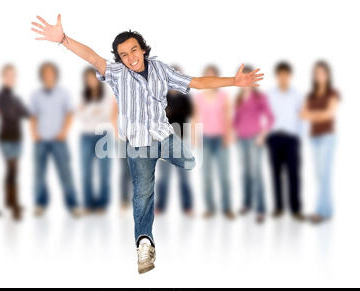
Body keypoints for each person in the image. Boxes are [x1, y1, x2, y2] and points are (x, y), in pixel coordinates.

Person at [31, 14, 263, 274]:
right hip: (138, 146)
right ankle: (144, 244)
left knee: (189, 161)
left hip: (164, 136)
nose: (131, 58)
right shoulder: (117, 73)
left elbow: (195, 83)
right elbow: (93, 57)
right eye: (124, 54)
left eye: (134, 50)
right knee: (143, 195)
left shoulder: (161, 69)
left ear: (142, 48)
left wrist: (233, 81)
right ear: (119, 58)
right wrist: (63, 39)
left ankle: (162, 156)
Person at [30, 62, 80, 217]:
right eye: (45, 73)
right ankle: (40, 204)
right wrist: (34, 133)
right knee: (39, 174)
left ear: (55, 75)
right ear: (42, 76)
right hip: (41, 140)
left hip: (59, 140)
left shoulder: (64, 93)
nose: (48, 76)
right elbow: (33, 115)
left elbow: (70, 113)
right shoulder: (35, 95)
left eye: (51, 73)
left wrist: (64, 132)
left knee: (65, 173)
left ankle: (73, 205)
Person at [192, 65, 235, 220]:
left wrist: (228, 136)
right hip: (205, 139)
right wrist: (194, 139)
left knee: (224, 175)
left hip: (221, 139)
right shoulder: (198, 97)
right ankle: (209, 208)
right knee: (206, 176)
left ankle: (227, 208)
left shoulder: (224, 96)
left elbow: (228, 117)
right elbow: (195, 118)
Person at [301, 61, 339, 224]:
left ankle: (319, 212)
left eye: (322, 72)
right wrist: (318, 113)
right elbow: (302, 115)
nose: (319, 75)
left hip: (328, 137)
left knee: (324, 174)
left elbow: (330, 114)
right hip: (314, 137)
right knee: (320, 176)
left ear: (328, 75)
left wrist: (313, 114)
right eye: (316, 72)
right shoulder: (310, 95)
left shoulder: (333, 93)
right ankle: (328, 210)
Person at [234, 66, 274, 224]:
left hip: (255, 139)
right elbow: (236, 119)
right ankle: (246, 203)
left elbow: (270, 118)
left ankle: (261, 209)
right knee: (245, 173)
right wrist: (234, 132)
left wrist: (263, 135)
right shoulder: (238, 98)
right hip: (241, 139)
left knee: (256, 173)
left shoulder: (259, 97)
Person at [267, 62, 305, 221]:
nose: (283, 77)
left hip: (291, 138)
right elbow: (265, 116)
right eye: (280, 74)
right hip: (274, 137)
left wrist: (299, 136)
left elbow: (302, 117)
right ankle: (278, 207)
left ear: (289, 75)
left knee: (294, 174)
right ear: (277, 76)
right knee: (275, 174)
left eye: (285, 74)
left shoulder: (297, 95)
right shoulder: (269, 94)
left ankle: (296, 209)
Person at [155, 65, 194, 217]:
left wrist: (171, 112)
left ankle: (187, 206)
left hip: (182, 141)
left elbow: (188, 114)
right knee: (164, 177)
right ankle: (160, 206)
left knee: (184, 176)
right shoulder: (161, 97)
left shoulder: (185, 97)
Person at [77, 67, 115, 214]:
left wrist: (89, 111)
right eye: (87, 78)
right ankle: (87, 204)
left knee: (104, 172)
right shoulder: (82, 95)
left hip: (103, 135)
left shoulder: (107, 94)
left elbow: (107, 113)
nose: (90, 81)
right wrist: (95, 111)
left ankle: (102, 205)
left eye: (93, 77)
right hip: (86, 136)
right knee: (85, 172)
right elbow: (79, 115)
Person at [0, 64, 29, 221]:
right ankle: (14, 204)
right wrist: (17, 111)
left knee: (13, 171)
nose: (11, 78)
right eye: (8, 75)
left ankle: (9, 201)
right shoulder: (1, 96)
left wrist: (19, 111)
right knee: (12, 170)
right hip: (7, 138)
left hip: (17, 137)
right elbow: (9, 114)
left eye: (13, 75)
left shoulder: (14, 98)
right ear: (3, 77)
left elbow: (25, 113)